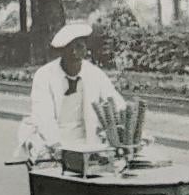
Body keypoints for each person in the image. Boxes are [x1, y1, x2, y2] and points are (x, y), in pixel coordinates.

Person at [17, 21, 125, 160]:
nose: (74, 53)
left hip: (86, 140)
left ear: (86, 49)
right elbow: (43, 116)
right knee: (44, 159)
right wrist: (57, 147)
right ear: (61, 51)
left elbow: (115, 102)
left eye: (79, 47)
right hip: (51, 139)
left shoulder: (95, 74)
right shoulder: (44, 75)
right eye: (69, 48)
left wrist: (126, 124)